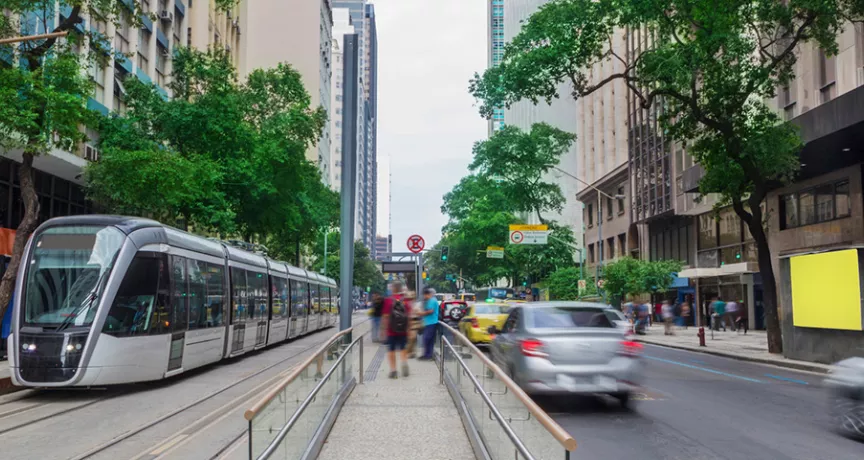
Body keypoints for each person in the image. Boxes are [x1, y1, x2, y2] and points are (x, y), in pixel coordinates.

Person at [380, 282, 410, 379]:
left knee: (391, 350)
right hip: (403, 330)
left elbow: (385, 316)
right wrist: (408, 329)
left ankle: (393, 370)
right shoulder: (405, 300)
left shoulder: (388, 300)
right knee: (403, 347)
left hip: (391, 330)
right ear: (401, 289)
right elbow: (409, 316)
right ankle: (404, 361)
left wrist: (383, 330)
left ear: (393, 289)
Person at [416, 287, 440, 361]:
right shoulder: (429, 300)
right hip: (428, 322)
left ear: (428, 294)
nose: (424, 297)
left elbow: (430, 311)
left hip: (431, 322)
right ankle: (427, 354)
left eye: (424, 295)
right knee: (428, 339)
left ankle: (428, 355)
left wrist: (421, 313)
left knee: (427, 339)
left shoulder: (432, 300)